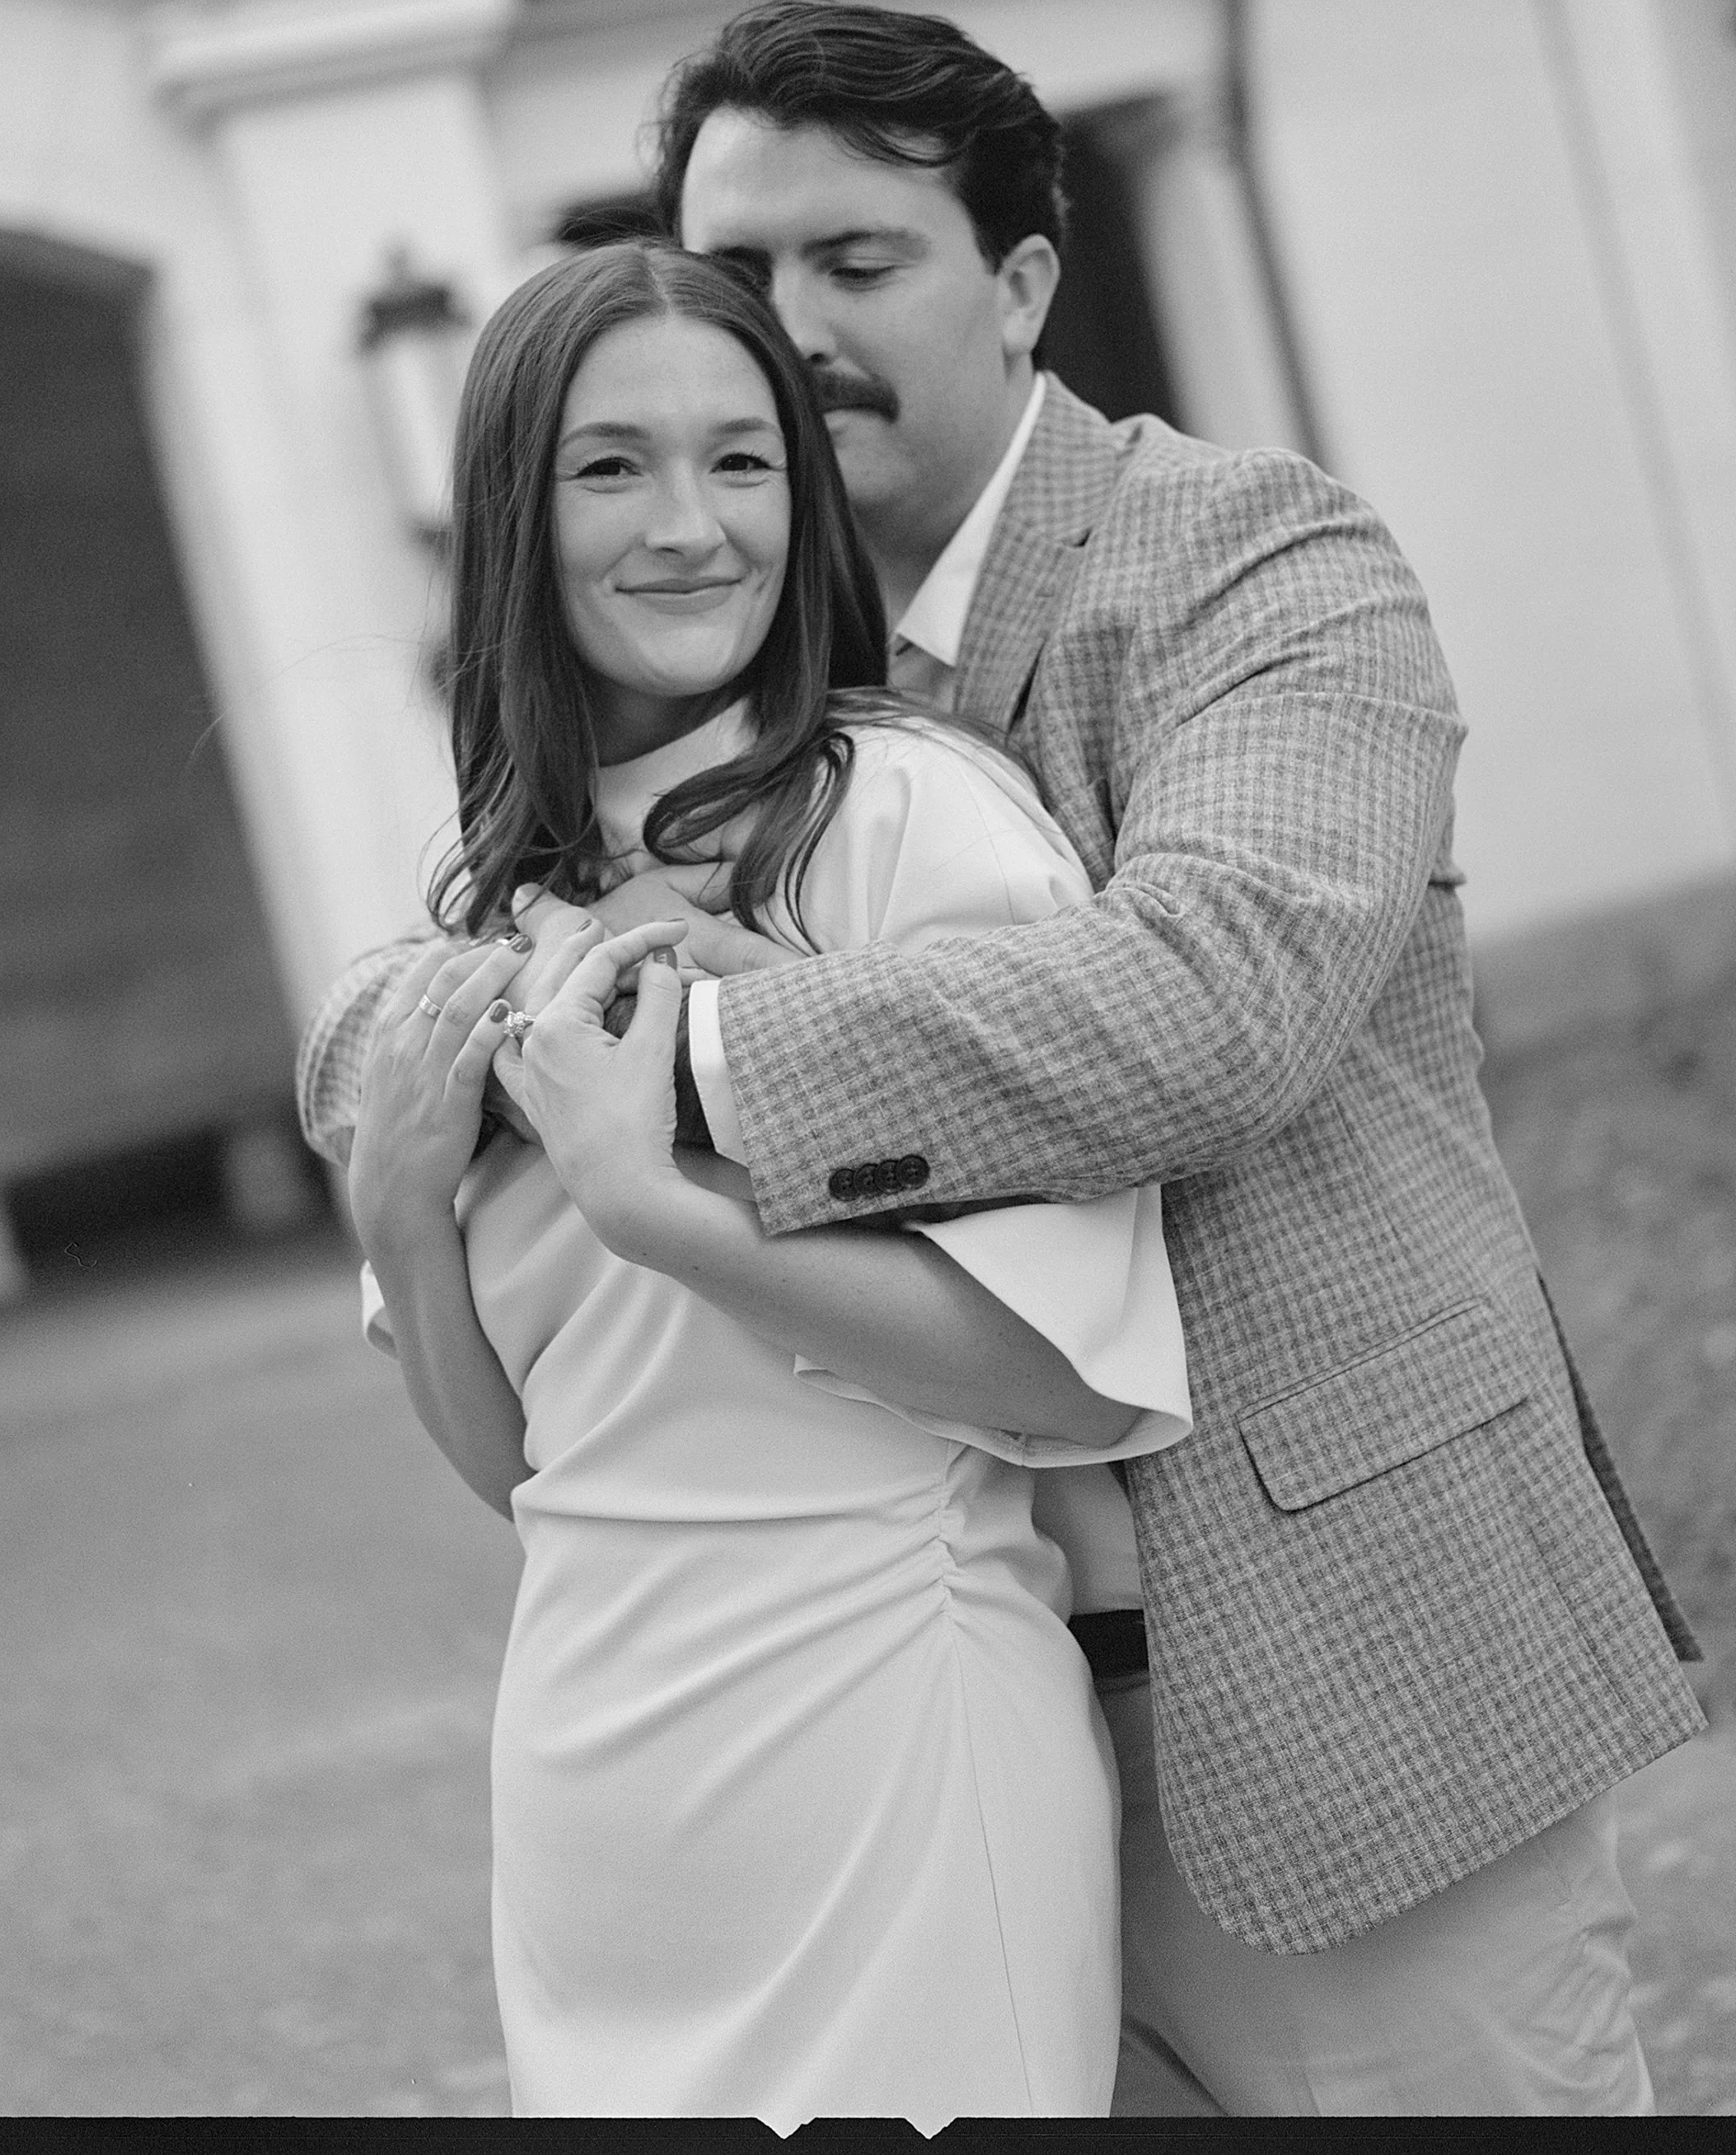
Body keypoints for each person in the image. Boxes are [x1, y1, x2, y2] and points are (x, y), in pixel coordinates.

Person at [303, 0, 1707, 2116]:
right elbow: (406, 1007)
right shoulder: (716, 673)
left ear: (1022, 281)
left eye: (855, 261)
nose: (789, 329)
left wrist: (666, 1052)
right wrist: (428, 1100)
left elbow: (1210, 1000)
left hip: (1333, 1687)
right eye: (741, 269)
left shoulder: (1252, 557)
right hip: (887, 1722)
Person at [340, 238, 1191, 2128]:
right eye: (611, 465)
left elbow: (1063, 1384)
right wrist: (399, 1212)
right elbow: (539, 1475)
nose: (688, 524)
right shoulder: (490, 906)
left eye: (739, 459)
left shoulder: (908, 823)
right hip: (594, 1774)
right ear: (514, 510)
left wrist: (658, 1209)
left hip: (885, 1719)